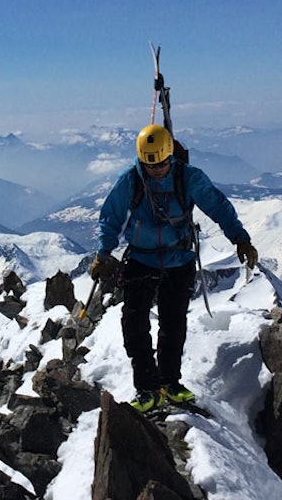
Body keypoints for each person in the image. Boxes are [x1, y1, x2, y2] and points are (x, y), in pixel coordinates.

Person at [92, 124, 258, 412]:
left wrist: (240, 239)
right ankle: (147, 388)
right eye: (150, 165)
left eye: (161, 164)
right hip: (141, 258)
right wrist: (103, 253)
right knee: (134, 322)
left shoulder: (188, 178)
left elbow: (218, 207)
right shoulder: (131, 180)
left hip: (178, 258)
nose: (156, 170)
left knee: (173, 323)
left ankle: (170, 383)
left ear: (170, 155)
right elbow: (111, 217)